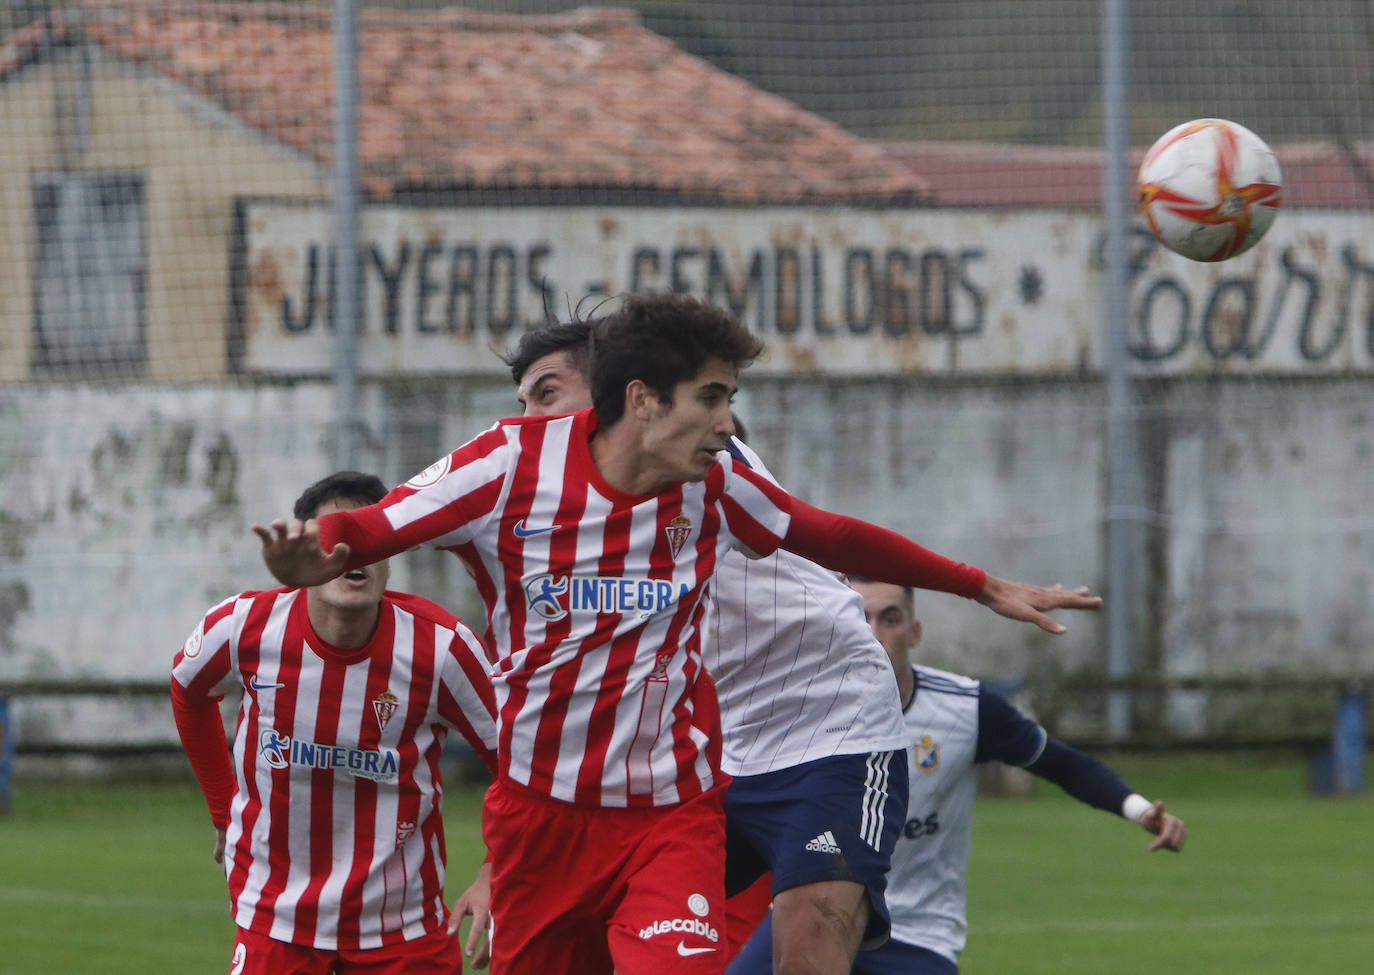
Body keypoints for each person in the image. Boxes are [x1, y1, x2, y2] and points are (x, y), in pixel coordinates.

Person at [251, 294, 1101, 975]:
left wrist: (979, 583)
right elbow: (379, 524)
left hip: (671, 813)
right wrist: (314, 560)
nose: (729, 422)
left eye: (728, 398)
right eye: (713, 397)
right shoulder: (509, 464)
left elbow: (825, 532)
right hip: (541, 813)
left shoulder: (715, 481)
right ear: (643, 400)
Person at [505, 319, 940, 973]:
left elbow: (833, 533)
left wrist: (977, 584)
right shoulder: (561, 503)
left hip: (829, 727)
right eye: (521, 404)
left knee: (806, 949)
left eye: (545, 394)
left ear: (625, 391)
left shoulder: (695, 453)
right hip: (713, 755)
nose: (528, 418)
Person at [738, 576, 1183, 974]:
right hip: (814, 909)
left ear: (914, 632)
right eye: (861, 617)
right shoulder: (798, 709)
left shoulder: (966, 708)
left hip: (916, 934)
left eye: (890, 619)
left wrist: (1140, 809)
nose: (873, 634)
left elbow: (1060, 763)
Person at [172, 471, 499, 975]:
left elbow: (521, 762)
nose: (352, 550)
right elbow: (188, 691)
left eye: (369, 535)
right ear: (304, 552)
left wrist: (495, 872)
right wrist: (223, 809)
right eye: (334, 535)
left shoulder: (442, 647)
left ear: (391, 553)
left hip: (404, 932)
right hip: (274, 922)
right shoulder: (244, 628)